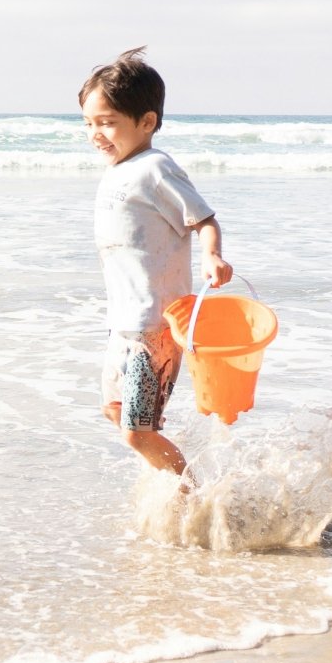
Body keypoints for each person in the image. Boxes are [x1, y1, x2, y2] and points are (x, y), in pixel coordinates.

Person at [81, 47, 232, 473]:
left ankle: (192, 497)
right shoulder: (118, 170)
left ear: (146, 122)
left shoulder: (156, 168)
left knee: (137, 431)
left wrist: (212, 256)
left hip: (155, 330)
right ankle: (177, 483)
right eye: (89, 123)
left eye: (107, 122)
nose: (96, 133)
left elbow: (204, 219)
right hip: (122, 326)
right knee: (115, 412)